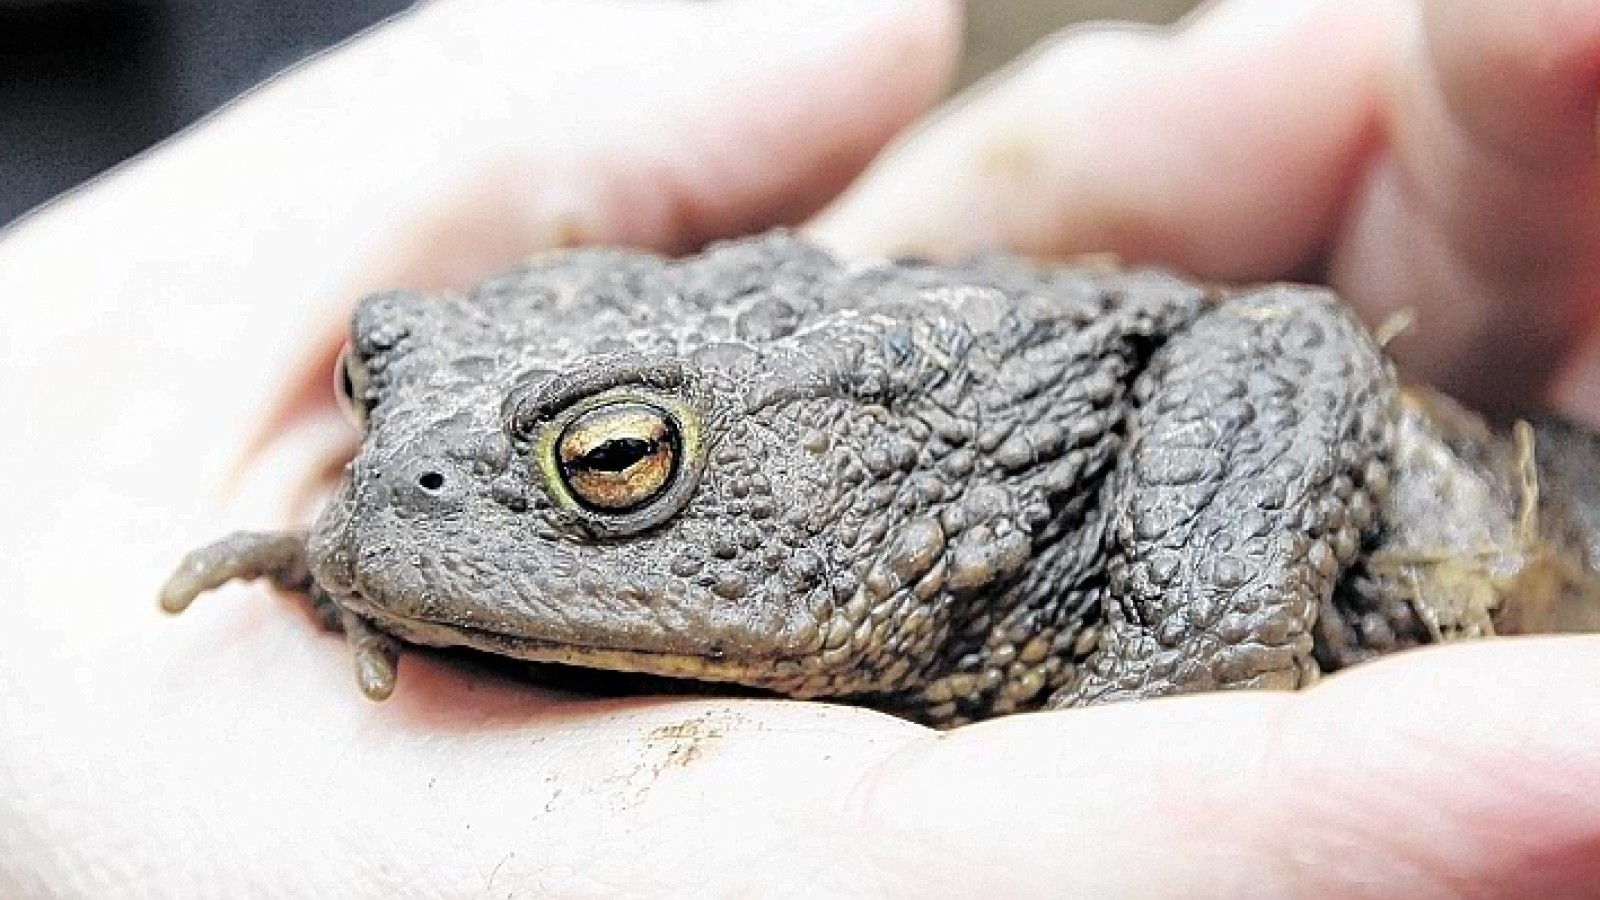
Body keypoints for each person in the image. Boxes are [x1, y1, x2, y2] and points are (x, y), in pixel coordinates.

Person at [2, 0, 1597, 894]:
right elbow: (431, 461)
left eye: (612, 468)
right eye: (368, 395)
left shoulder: (927, 474)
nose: (391, 478)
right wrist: (357, 564)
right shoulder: (443, 460)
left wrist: (1166, 673)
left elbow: (1281, 348)